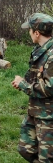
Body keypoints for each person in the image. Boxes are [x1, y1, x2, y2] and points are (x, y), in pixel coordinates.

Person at [12, 13, 53, 163]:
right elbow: (35, 76)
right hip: (35, 110)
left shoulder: (52, 55)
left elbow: (50, 88)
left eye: (29, 30)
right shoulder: (39, 50)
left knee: (46, 159)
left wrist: (24, 85)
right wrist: (22, 81)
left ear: (36, 33)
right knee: (26, 149)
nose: (28, 33)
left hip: (48, 117)